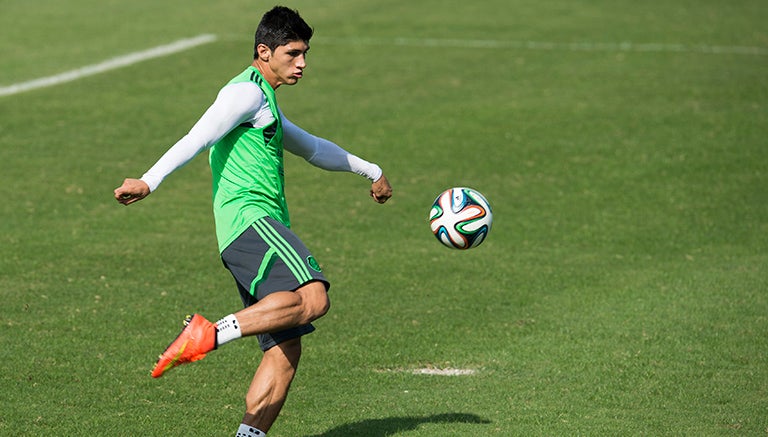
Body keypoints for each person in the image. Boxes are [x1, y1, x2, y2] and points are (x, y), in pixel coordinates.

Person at [113, 6, 392, 436]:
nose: (302, 63)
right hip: (250, 221)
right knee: (314, 297)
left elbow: (313, 148)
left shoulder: (265, 100)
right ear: (264, 51)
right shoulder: (244, 94)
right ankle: (210, 333)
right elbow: (198, 135)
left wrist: (370, 170)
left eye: (306, 53)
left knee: (285, 349)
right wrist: (150, 180)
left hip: (245, 232)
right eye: (293, 53)